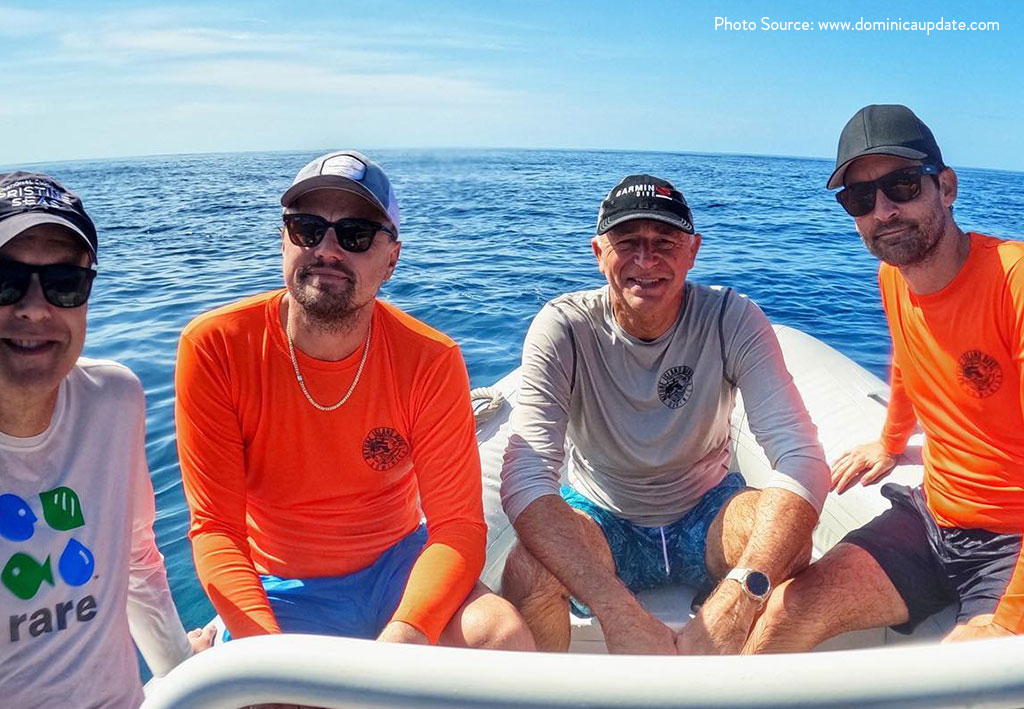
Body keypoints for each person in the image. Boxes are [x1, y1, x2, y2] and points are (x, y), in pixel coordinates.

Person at [175, 151, 532, 650]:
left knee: (501, 635)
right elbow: (215, 529)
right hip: (279, 586)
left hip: (395, 570)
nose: (327, 249)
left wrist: (404, 638)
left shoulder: (430, 358)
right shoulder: (215, 346)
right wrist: (267, 653)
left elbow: (457, 527)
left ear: (391, 259)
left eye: (355, 235)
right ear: (284, 239)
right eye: (307, 228)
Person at [499, 173, 830, 654]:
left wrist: (739, 599)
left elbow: (800, 455)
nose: (646, 260)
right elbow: (527, 475)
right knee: (527, 570)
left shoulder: (730, 318)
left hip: (707, 510)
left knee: (791, 545)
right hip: (602, 518)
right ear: (598, 253)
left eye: (665, 241)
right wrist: (615, 610)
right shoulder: (564, 328)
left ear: (692, 251)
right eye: (627, 242)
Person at [747, 104, 1024, 652]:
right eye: (861, 198)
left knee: (964, 679)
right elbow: (908, 355)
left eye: (902, 185)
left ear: (946, 187)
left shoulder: (1011, 283)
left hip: (1012, 538)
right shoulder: (893, 277)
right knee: (785, 610)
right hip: (933, 516)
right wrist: (890, 442)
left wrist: (1008, 615)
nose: (884, 211)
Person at [0, 172, 211, 708]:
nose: (33, 308)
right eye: (5, 279)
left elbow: (136, 559)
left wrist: (182, 670)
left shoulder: (114, 400)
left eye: (65, 283)